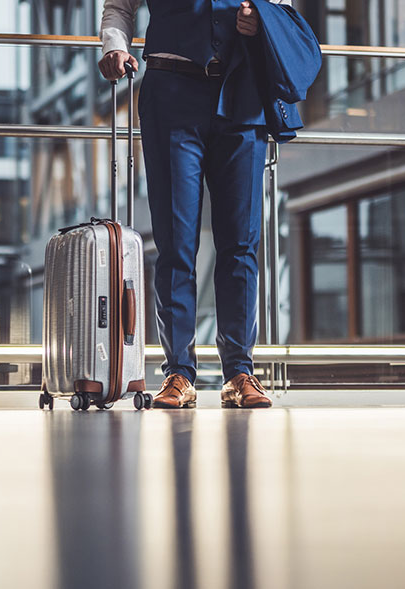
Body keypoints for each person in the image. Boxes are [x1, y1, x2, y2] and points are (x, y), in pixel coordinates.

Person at [97, 0, 299, 409]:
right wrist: (114, 46)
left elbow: (282, 5)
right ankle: (179, 373)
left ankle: (239, 372)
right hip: (171, 95)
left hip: (243, 93)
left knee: (241, 243)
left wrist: (261, 19)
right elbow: (119, 6)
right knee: (175, 243)